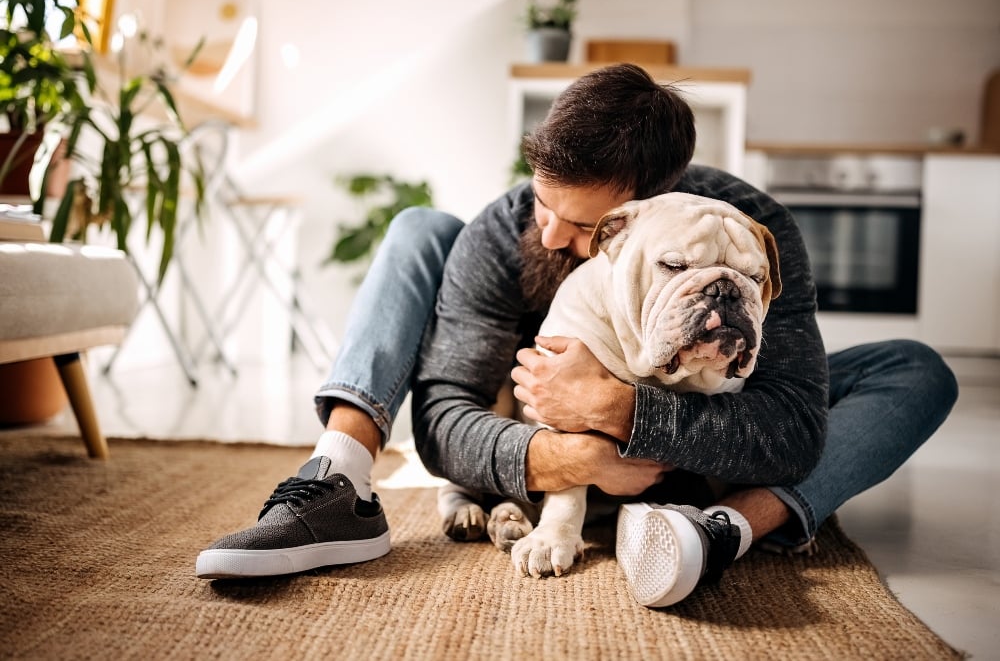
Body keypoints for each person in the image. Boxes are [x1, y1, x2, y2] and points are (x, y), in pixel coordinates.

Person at [196, 64, 958, 608]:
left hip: (697, 434)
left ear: (645, 212)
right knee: (420, 227)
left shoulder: (749, 232)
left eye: (585, 225)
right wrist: (565, 453)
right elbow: (444, 419)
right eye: (542, 199)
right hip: (545, 435)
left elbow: (793, 426)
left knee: (915, 368)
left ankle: (726, 528)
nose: (552, 234)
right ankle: (338, 477)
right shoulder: (505, 234)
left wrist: (625, 414)